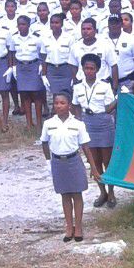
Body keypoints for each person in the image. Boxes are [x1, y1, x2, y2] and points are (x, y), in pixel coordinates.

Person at [39, 91, 91, 242]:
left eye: (62, 103)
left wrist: (93, 168)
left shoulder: (78, 124)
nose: (59, 106)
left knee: (77, 194)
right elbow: (44, 143)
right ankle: (69, 226)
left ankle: (78, 227)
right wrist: (48, 161)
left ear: (69, 106)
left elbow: (85, 147)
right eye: (56, 103)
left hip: (74, 161)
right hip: (57, 162)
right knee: (65, 194)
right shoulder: (49, 124)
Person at [72, 52, 118, 208]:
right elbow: (75, 105)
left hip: (104, 123)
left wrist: (118, 99)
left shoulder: (104, 86)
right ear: (82, 69)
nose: (89, 71)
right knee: (95, 161)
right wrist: (79, 121)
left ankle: (111, 192)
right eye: (86, 68)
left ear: (97, 70)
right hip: (88, 124)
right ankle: (102, 192)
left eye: (92, 68)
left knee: (107, 161)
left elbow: (109, 108)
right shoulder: (78, 87)